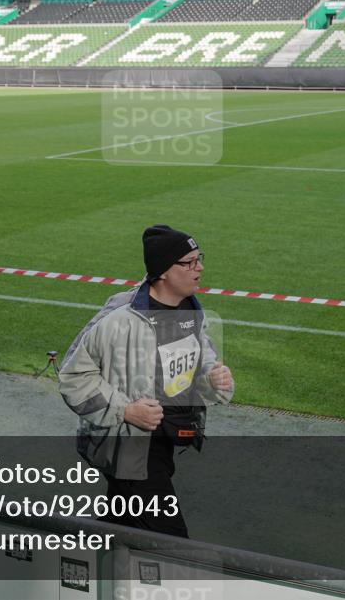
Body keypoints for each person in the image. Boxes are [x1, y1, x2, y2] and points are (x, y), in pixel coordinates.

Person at [58, 225, 234, 538]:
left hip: (164, 440)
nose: (200, 267)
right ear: (164, 270)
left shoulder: (189, 309)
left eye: (199, 259)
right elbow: (73, 378)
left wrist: (211, 378)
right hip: (129, 448)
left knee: (120, 529)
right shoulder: (118, 320)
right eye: (190, 262)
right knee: (172, 544)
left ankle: (70, 564)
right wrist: (125, 411)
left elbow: (198, 360)